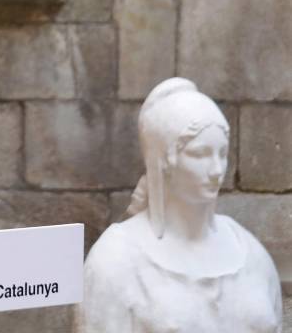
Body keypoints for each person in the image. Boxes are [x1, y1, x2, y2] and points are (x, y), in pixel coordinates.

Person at [78, 78, 282, 333]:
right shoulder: (117, 260)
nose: (217, 170)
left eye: (222, 153)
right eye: (200, 154)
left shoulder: (252, 255)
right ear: (164, 161)